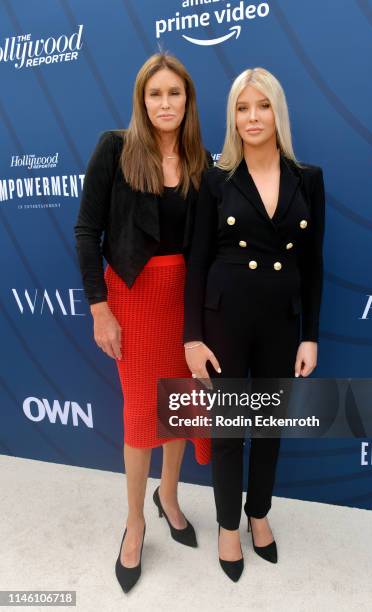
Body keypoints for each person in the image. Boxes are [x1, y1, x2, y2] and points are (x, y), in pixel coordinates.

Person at [74, 52, 212, 593]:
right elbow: (88, 233)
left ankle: (169, 496)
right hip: (131, 298)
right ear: (141, 99)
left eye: (174, 93)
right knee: (139, 416)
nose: (165, 103)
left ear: (188, 100)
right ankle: (135, 521)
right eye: (155, 94)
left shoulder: (201, 159)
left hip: (186, 300)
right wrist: (98, 307)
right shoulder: (115, 148)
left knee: (177, 403)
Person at [183, 67, 325, 582]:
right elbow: (196, 261)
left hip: (281, 322)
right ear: (232, 117)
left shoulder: (308, 178)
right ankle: (226, 524)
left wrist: (310, 333)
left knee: (267, 429)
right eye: (242, 108)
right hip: (225, 320)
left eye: (262, 106)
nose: (252, 117)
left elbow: (313, 264)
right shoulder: (215, 180)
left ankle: (257, 513)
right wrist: (192, 337)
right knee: (228, 428)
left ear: (277, 112)